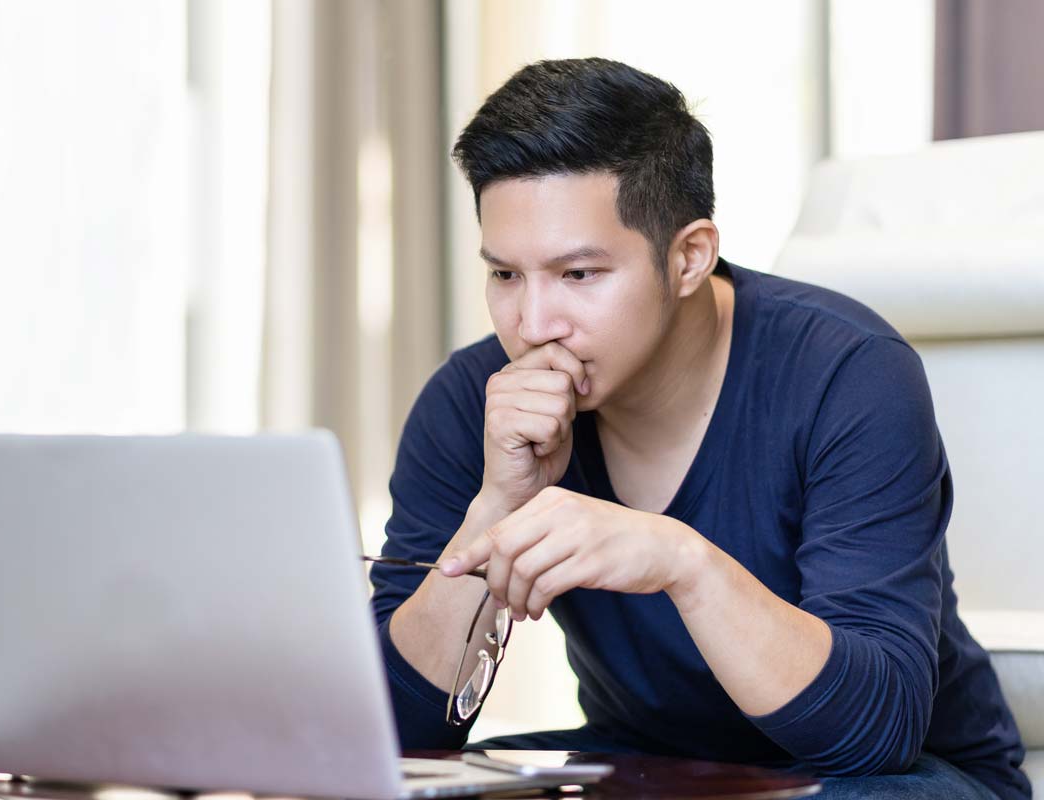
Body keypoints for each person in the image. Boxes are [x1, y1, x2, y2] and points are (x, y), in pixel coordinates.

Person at [367, 58, 1029, 800]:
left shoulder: (849, 375)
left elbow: (871, 733)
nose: (533, 325)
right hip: (654, 765)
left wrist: (682, 563)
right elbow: (386, 739)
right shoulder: (474, 402)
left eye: (579, 275)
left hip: (887, 777)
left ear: (688, 257)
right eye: (505, 276)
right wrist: (494, 508)